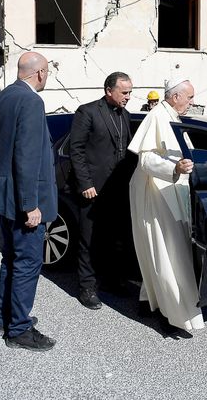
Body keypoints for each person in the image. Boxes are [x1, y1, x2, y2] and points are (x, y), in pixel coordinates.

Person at [0, 52, 58, 352]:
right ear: (39, 73)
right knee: (27, 262)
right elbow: (27, 156)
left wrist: (1, 182)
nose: (47, 77)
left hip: (5, 196)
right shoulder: (31, 101)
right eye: (48, 72)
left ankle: (6, 318)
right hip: (23, 200)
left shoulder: (2, 97)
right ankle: (19, 329)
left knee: (11, 259)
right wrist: (30, 204)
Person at [127, 78, 204, 334]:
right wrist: (174, 168)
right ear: (176, 96)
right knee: (165, 254)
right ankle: (171, 314)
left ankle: (150, 301)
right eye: (190, 97)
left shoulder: (171, 115)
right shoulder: (157, 116)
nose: (192, 102)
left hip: (170, 192)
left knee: (160, 253)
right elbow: (146, 159)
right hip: (156, 196)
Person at [64, 72, 134, 310]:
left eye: (130, 92)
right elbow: (77, 150)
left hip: (117, 190)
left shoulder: (125, 115)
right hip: (92, 189)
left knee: (115, 238)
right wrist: (85, 184)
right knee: (89, 239)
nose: (128, 97)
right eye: (124, 92)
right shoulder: (88, 112)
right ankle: (87, 287)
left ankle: (113, 281)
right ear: (108, 91)